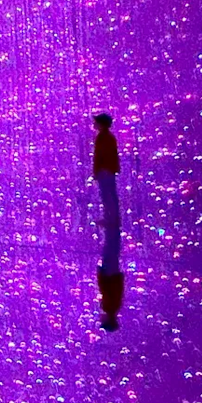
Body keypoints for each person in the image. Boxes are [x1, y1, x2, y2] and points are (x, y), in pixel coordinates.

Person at [92, 113, 124, 331]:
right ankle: (112, 219)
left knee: (108, 195)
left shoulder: (105, 138)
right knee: (108, 195)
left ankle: (112, 218)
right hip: (110, 272)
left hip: (110, 272)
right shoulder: (112, 306)